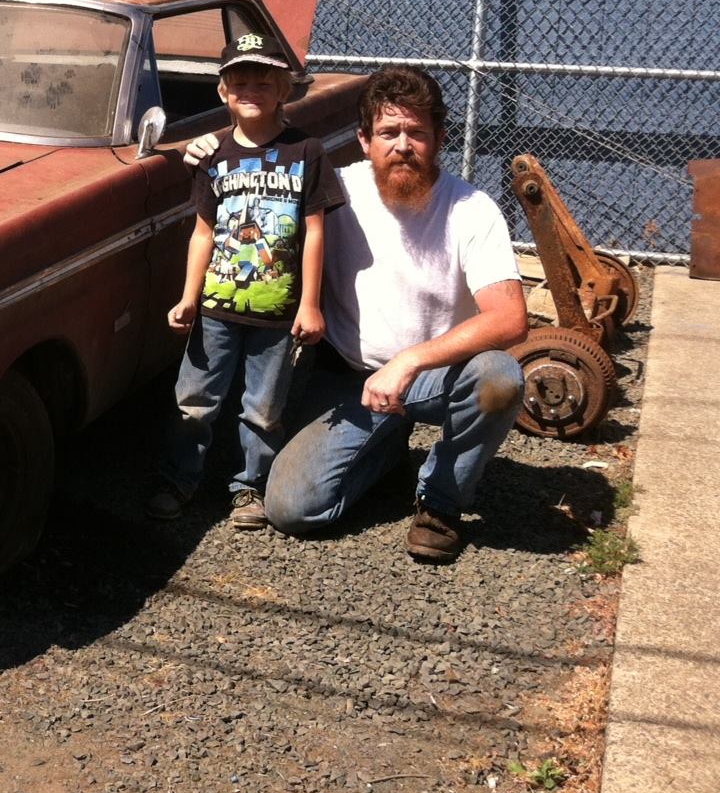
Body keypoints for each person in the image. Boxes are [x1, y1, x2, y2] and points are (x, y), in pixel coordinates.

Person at [182, 65, 530, 561]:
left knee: (499, 377)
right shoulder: (335, 193)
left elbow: (509, 319)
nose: (403, 146)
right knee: (293, 509)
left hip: (435, 376)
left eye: (417, 133)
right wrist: (210, 145)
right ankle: (384, 447)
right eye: (388, 133)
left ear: (439, 139)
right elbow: (253, 179)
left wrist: (409, 361)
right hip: (348, 378)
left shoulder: (471, 209)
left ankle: (441, 503)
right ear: (364, 140)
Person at [146, 33, 344, 527]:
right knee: (194, 402)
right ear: (223, 91)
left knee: (265, 408)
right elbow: (203, 232)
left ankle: (249, 486)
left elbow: (315, 233)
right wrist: (188, 297)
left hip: (277, 314)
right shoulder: (212, 155)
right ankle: (178, 478)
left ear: (284, 90)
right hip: (215, 307)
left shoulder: (307, 151)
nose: (251, 91)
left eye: (263, 82)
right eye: (240, 82)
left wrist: (310, 303)